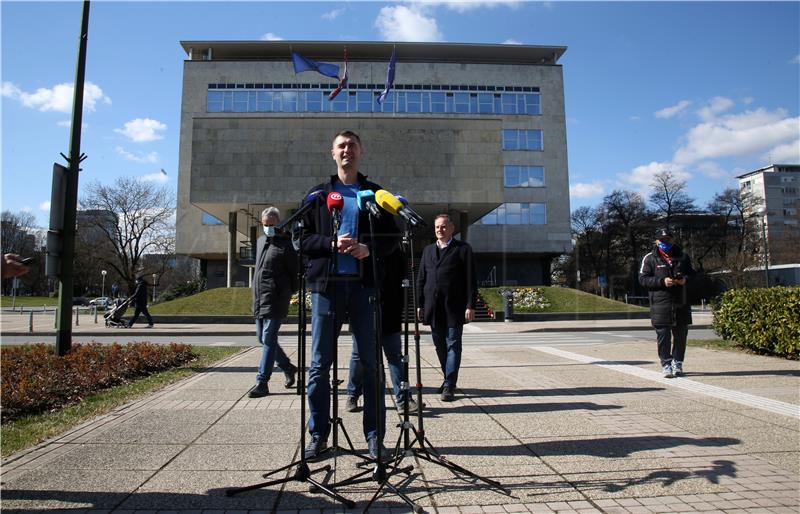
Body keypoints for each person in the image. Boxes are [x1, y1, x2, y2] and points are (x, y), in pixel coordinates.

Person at [300, 130, 400, 462]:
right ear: (333, 153)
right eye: (341, 146)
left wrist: (368, 248)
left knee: (371, 365)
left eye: (352, 145)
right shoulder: (317, 195)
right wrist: (330, 244)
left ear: (361, 151)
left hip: (364, 287)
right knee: (318, 366)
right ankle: (318, 435)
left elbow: (393, 238)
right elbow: (301, 240)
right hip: (327, 288)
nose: (347, 150)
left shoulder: (375, 193)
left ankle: (374, 438)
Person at [346, 248, 421, 414]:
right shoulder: (358, 248)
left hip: (390, 312)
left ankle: (403, 399)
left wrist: (401, 308)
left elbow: (404, 283)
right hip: (362, 310)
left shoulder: (396, 252)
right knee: (358, 356)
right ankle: (352, 394)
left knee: (395, 356)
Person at [416, 214, 477, 402]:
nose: (439, 230)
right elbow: (421, 279)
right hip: (433, 307)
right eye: (436, 227)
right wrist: (419, 304)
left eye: (443, 227)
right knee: (440, 346)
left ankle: (449, 384)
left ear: (452, 228)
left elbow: (470, 279)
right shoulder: (427, 251)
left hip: (454, 306)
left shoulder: (463, 249)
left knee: (453, 345)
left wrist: (470, 305)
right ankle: (448, 379)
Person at [248, 207, 299, 398]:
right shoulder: (261, 241)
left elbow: (296, 274)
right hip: (260, 298)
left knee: (268, 339)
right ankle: (288, 367)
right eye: (265, 224)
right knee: (262, 338)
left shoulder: (287, 245)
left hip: (276, 298)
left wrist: (286, 291)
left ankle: (262, 382)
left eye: (272, 224)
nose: (269, 227)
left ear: (279, 224)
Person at [638, 228, 696, 378]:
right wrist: (661, 281)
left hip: (680, 302)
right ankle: (666, 363)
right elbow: (643, 279)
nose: (665, 243)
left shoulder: (683, 257)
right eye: (662, 240)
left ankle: (678, 362)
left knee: (681, 335)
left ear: (673, 240)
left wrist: (685, 280)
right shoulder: (650, 258)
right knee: (663, 335)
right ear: (657, 241)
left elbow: (693, 275)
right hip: (660, 303)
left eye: (668, 240)